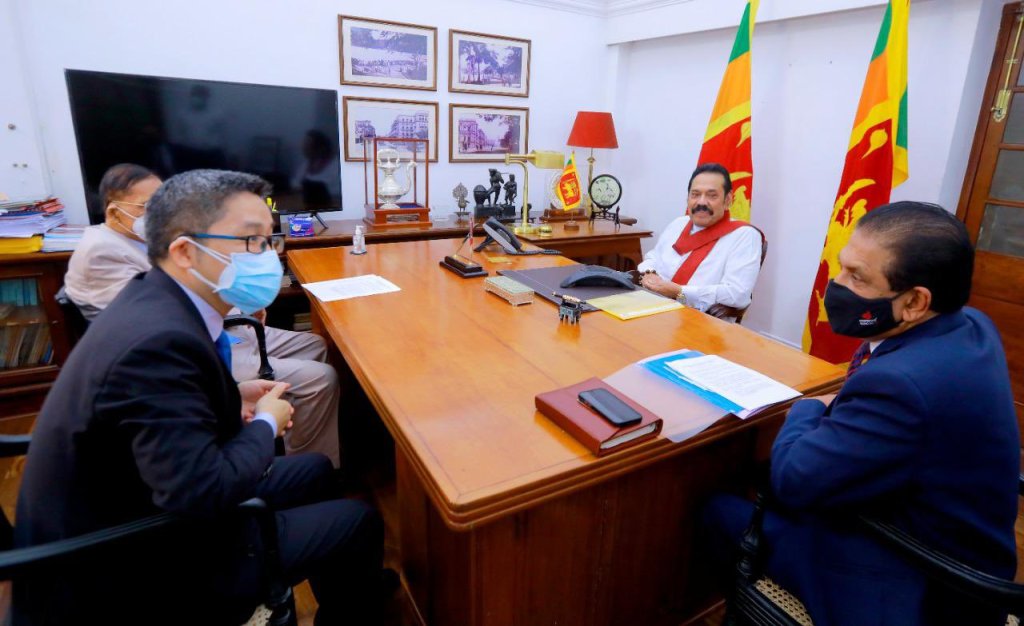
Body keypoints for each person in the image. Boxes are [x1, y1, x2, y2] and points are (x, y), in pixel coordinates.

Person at [16, 169, 389, 625]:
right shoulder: (157, 344)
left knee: (315, 470)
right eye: (251, 241)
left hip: (148, 493)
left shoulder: (160, 299)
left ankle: (348, 580)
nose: (267, 257)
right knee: (359, 521)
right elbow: (202, 492)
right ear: (185, 252)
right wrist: (266, 422)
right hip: (136, 559)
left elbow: (167, 411)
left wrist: (233, 394)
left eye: (268, 241)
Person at [702, 202, 1019, 626]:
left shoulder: (901, 385)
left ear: (915, 301)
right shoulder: (970, 325)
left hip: (922, 586)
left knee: (720, 508)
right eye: (842, 267)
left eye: (857, 277)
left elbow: (793, 481)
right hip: (958, 544)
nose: (836, 285)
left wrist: (808, 407)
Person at [65, 163, 342, 468]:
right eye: (147, 207)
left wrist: (240, 300)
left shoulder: (141, 242)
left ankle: (305, 434)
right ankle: (308, 461)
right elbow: (169, 313)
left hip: (224, 328)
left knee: (317, 344)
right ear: (114, 212)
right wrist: (260, 420)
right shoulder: (103, 252)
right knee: (321, 379)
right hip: (203, 342)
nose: (159, 214)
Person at [637, 163, 762, 317]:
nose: (701, 202)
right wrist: (649, 273)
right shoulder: (678, 224)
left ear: (728, 199)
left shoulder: (744, 236)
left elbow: (737, 294)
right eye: (695, 194)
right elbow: (652, 257)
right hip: (651, 306)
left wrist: (679, 292)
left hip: (698, 318)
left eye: (712, 195)